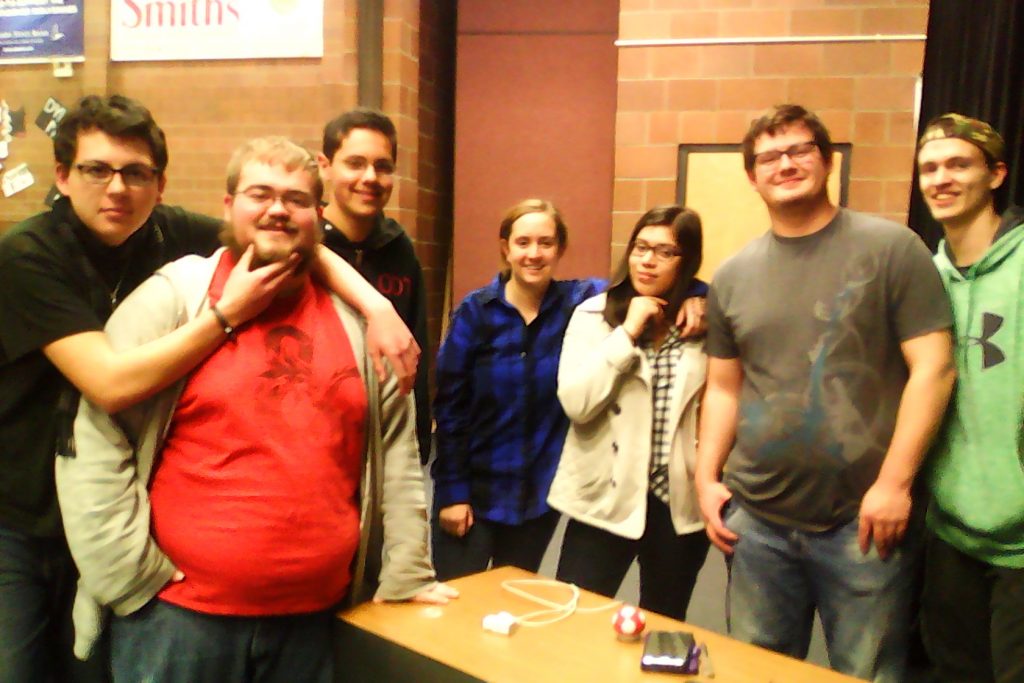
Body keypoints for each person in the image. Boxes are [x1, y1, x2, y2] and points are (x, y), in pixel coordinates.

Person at [0, 96, 416, 683]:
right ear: (63, 176)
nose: (117, 189)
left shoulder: (165, 229)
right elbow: (109, 387)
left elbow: (286, 235)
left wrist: (377, 304)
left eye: (135, 173)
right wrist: (225, 316)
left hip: (171, 545)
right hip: (26, 511)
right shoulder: (29, 255)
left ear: (160, 185)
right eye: (96, 170)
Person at [694, 104, 955, 682]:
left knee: (867, 671)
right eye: (769, 156)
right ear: (752, 175)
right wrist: (706, 477)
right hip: (757, 520)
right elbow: (723, 388)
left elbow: (934, 368)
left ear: (827, 159)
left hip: (863, 521)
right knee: (758, 670)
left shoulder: (893, 248)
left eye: (799, 150)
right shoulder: (734, 274)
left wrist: (895, 484)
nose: (785, 164)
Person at [548, 205, 710, 621]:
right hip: (606, 494)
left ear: (687, 260)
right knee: (573, 619)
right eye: (640, 247)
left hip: (676, 501)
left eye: (664, 251)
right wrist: (628, 332)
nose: (648, 260)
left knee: (663, 623)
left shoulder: (703, 323)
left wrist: (704, 297)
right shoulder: (595, 315)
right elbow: (577, 404)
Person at [429, 199, 605, 580]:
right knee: (455, 609)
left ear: (559, 249)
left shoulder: (578, 304)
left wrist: (697, 295)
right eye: (523, 242)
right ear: (506, 247)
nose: (534, 253)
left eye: (546, 242)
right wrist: (452, 494)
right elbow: (449, 410)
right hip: (474, 496)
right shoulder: (475, 314)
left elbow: (639, 282)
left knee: (513, 603)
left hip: (536, 501)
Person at [915, 113, 1024, 683]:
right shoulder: (924, 274)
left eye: (959, 164)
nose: (941, 178)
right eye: (930, 167)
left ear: (996, 174)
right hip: (951, 528)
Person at [318, 108, 432, 464]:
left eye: (382, 166)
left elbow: (417, 346)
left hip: (385, 437)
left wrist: (418, 443)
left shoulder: (401, 250)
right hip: (316, 436)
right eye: (355, 163)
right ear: (325, 166)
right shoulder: (301, 246)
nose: (370, 177)